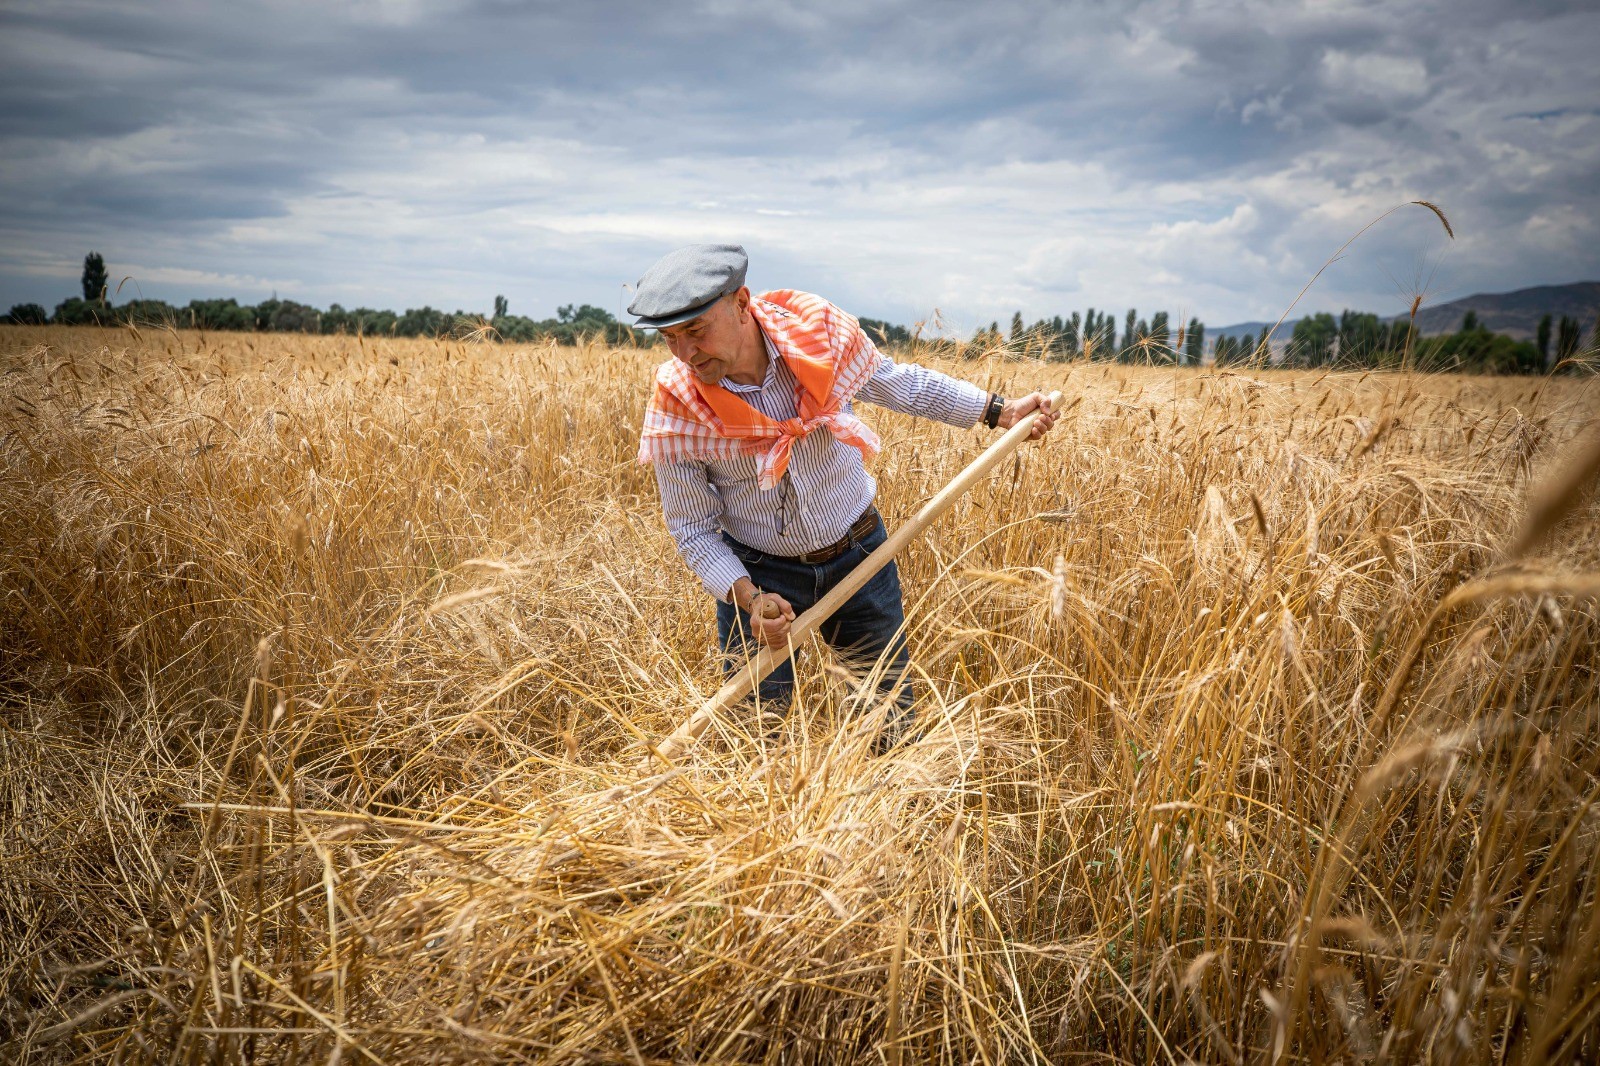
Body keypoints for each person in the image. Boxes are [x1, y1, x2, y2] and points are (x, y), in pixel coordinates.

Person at [632, 244, 1056, 750]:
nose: (686, 353)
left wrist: (998, 411)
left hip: (860, 557)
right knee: (753, 735)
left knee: (888, 726)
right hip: (760, 576)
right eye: (669, 339)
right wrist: (751, 599)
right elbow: (693, 529)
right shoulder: (678, 402)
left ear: (742, 302)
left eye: (696, 330)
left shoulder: (817, 338)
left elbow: (901, 384)